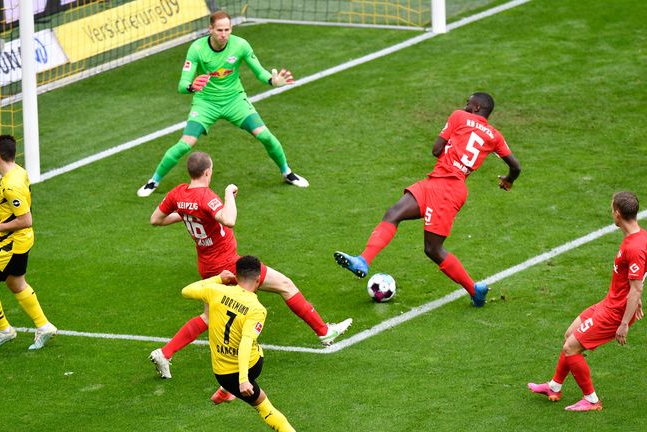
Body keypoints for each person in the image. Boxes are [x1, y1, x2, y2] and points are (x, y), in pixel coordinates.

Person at [148, 151, 352, 384]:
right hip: (229, 264)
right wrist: (228, 194)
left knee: (208, 317)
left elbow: (156, 219)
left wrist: (188, 215)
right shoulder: (206, 196)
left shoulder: (177, 193)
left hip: (206, 265)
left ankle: (165, 353)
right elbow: (229, 219)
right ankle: (324, 332)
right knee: (285, 285)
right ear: (207, 172)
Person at [334, 92, 521, 307]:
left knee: (433, 249)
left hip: (446, 188)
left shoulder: (459, 116)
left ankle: (474, 291)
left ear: (477, 107)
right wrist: (508, 180)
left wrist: (450, 146)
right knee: (394, 213)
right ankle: (363, 260)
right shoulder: (495, 136)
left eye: (468, 104)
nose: (465, 106)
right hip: (440, 183)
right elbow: (515, 166)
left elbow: (436, 149)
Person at [136, 10, 309, 198]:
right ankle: (153, 181)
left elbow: (260, 72)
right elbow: (181, 85)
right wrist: (192, 87)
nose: (224, 34)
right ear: (210, 29)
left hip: (235, 101)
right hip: (206, 103)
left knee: (265, 136)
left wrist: (272, 81)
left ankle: (287, 173)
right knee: (185, 144)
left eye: (227, 29)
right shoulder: (197, 49)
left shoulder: (240, 45)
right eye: (219, 30)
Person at [528, 192, 646, 411]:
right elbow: (638, 279)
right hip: (609, 303)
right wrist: (636, 299)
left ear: (617, 214)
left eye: (612, 209)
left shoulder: (635, 247)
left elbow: (637, 286)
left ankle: (591, 400)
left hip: (615, 313)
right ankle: (554, 386)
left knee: (571, 348)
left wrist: (624, 323)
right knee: (569, 335)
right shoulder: (640, 238)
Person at [0, 135, 57, 351]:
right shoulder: (19, 172)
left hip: (9, 245)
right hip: (22, 241)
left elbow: (25, 219)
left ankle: (4, 330)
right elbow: (7, 207)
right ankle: (44, 326)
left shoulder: (10, 185)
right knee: (16, 284)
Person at [182, 256, 296, 431]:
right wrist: (244, 380)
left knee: (249, 347)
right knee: (266, 408)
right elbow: (246, 342)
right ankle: (229, 391)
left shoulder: (216, 291)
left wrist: (218, 278)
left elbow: (187, 290)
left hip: (224, 374)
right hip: (250, 366)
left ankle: (227, 390)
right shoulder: (257, 309)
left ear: (235, 275)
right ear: (258, 279)